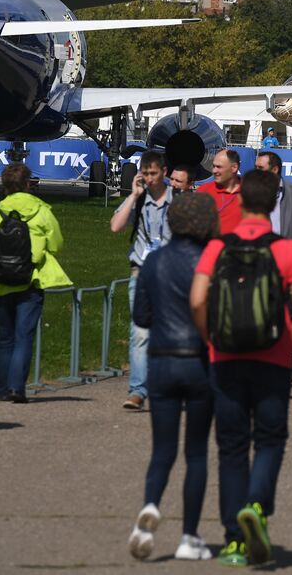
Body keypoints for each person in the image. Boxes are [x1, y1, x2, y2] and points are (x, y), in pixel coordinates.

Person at [190, 169, 292, 567]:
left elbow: (196, 300)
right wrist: (288, 350)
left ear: (241, 201)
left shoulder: (217, 247)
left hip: (225, 359)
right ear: (275, 202)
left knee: (230, 447)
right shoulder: (286, 250)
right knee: (270, 440)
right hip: (272, 359)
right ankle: (257, 508)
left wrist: (212, 341)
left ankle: (233, 541)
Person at [128, 193, 220, 562]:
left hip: (162, 361)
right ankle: (189, 536)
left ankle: (150, 506)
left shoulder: (153, 261)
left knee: (162, 449)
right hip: (199, 362)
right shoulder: (211, 262)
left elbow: (142, 317)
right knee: (196, 452)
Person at [0, 163, 71, 404]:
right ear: (29, 185)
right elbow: (57, 244)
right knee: (23, 337)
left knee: (5, 337)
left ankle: (1, 389)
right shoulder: (42, 212)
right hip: (31, 280)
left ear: (4, 186)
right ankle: (17, 387)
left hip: (1, 282)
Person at [110, 150, 174, 412]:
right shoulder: (139, 199)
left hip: (170, 277)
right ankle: (138, 390)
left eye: (153, 173)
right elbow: (115, 226)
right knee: (139, 334)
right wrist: (133, 195)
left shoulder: (178, 201)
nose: (149, 178)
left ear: (164, 172)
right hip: (142, 273)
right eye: (145, 174)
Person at [256, 151, 292, 242]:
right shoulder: (251, 192)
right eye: (255, 167)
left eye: (260, 168)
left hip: (286, 252)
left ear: (275, 170)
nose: (256, 172)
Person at [198, 148, 243, 233]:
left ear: (234, 168)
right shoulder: (204, 191)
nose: (214, 171)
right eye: (213, 166)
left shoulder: (249, 192)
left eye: (219, 167)